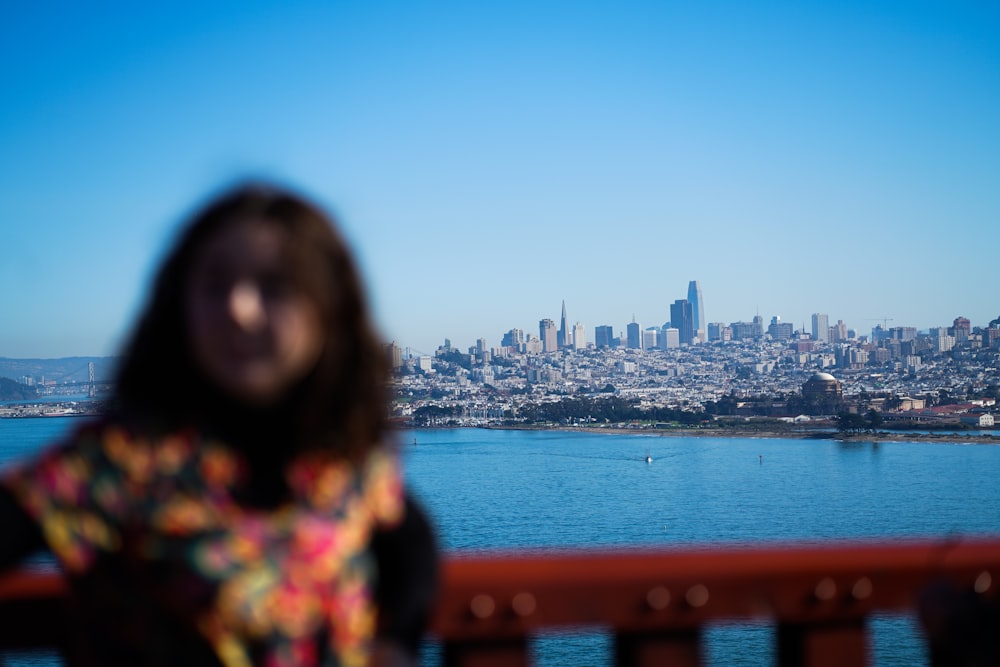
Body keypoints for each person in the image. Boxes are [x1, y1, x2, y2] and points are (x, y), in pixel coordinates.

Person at [0, 183, 438, 667]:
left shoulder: (343, 464)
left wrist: (396, 643)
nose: (239, 307)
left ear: (329, 308)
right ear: (179, 306)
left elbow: (409, 541)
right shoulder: (123, 461)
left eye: (275, 285)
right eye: (214, 283)